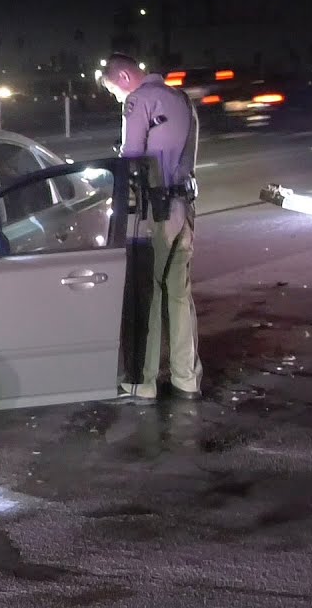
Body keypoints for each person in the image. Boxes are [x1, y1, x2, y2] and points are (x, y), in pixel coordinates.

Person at [99, 53, 204, 402]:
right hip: (185, 206)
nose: (118, 99)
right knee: (179, 294)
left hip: (155, 211)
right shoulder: (182, 100)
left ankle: (142, 382)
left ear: (125, 77)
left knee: (149, 295)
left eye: (115, 91)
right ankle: (186, 379)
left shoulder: (138, 101)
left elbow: (131, 159)